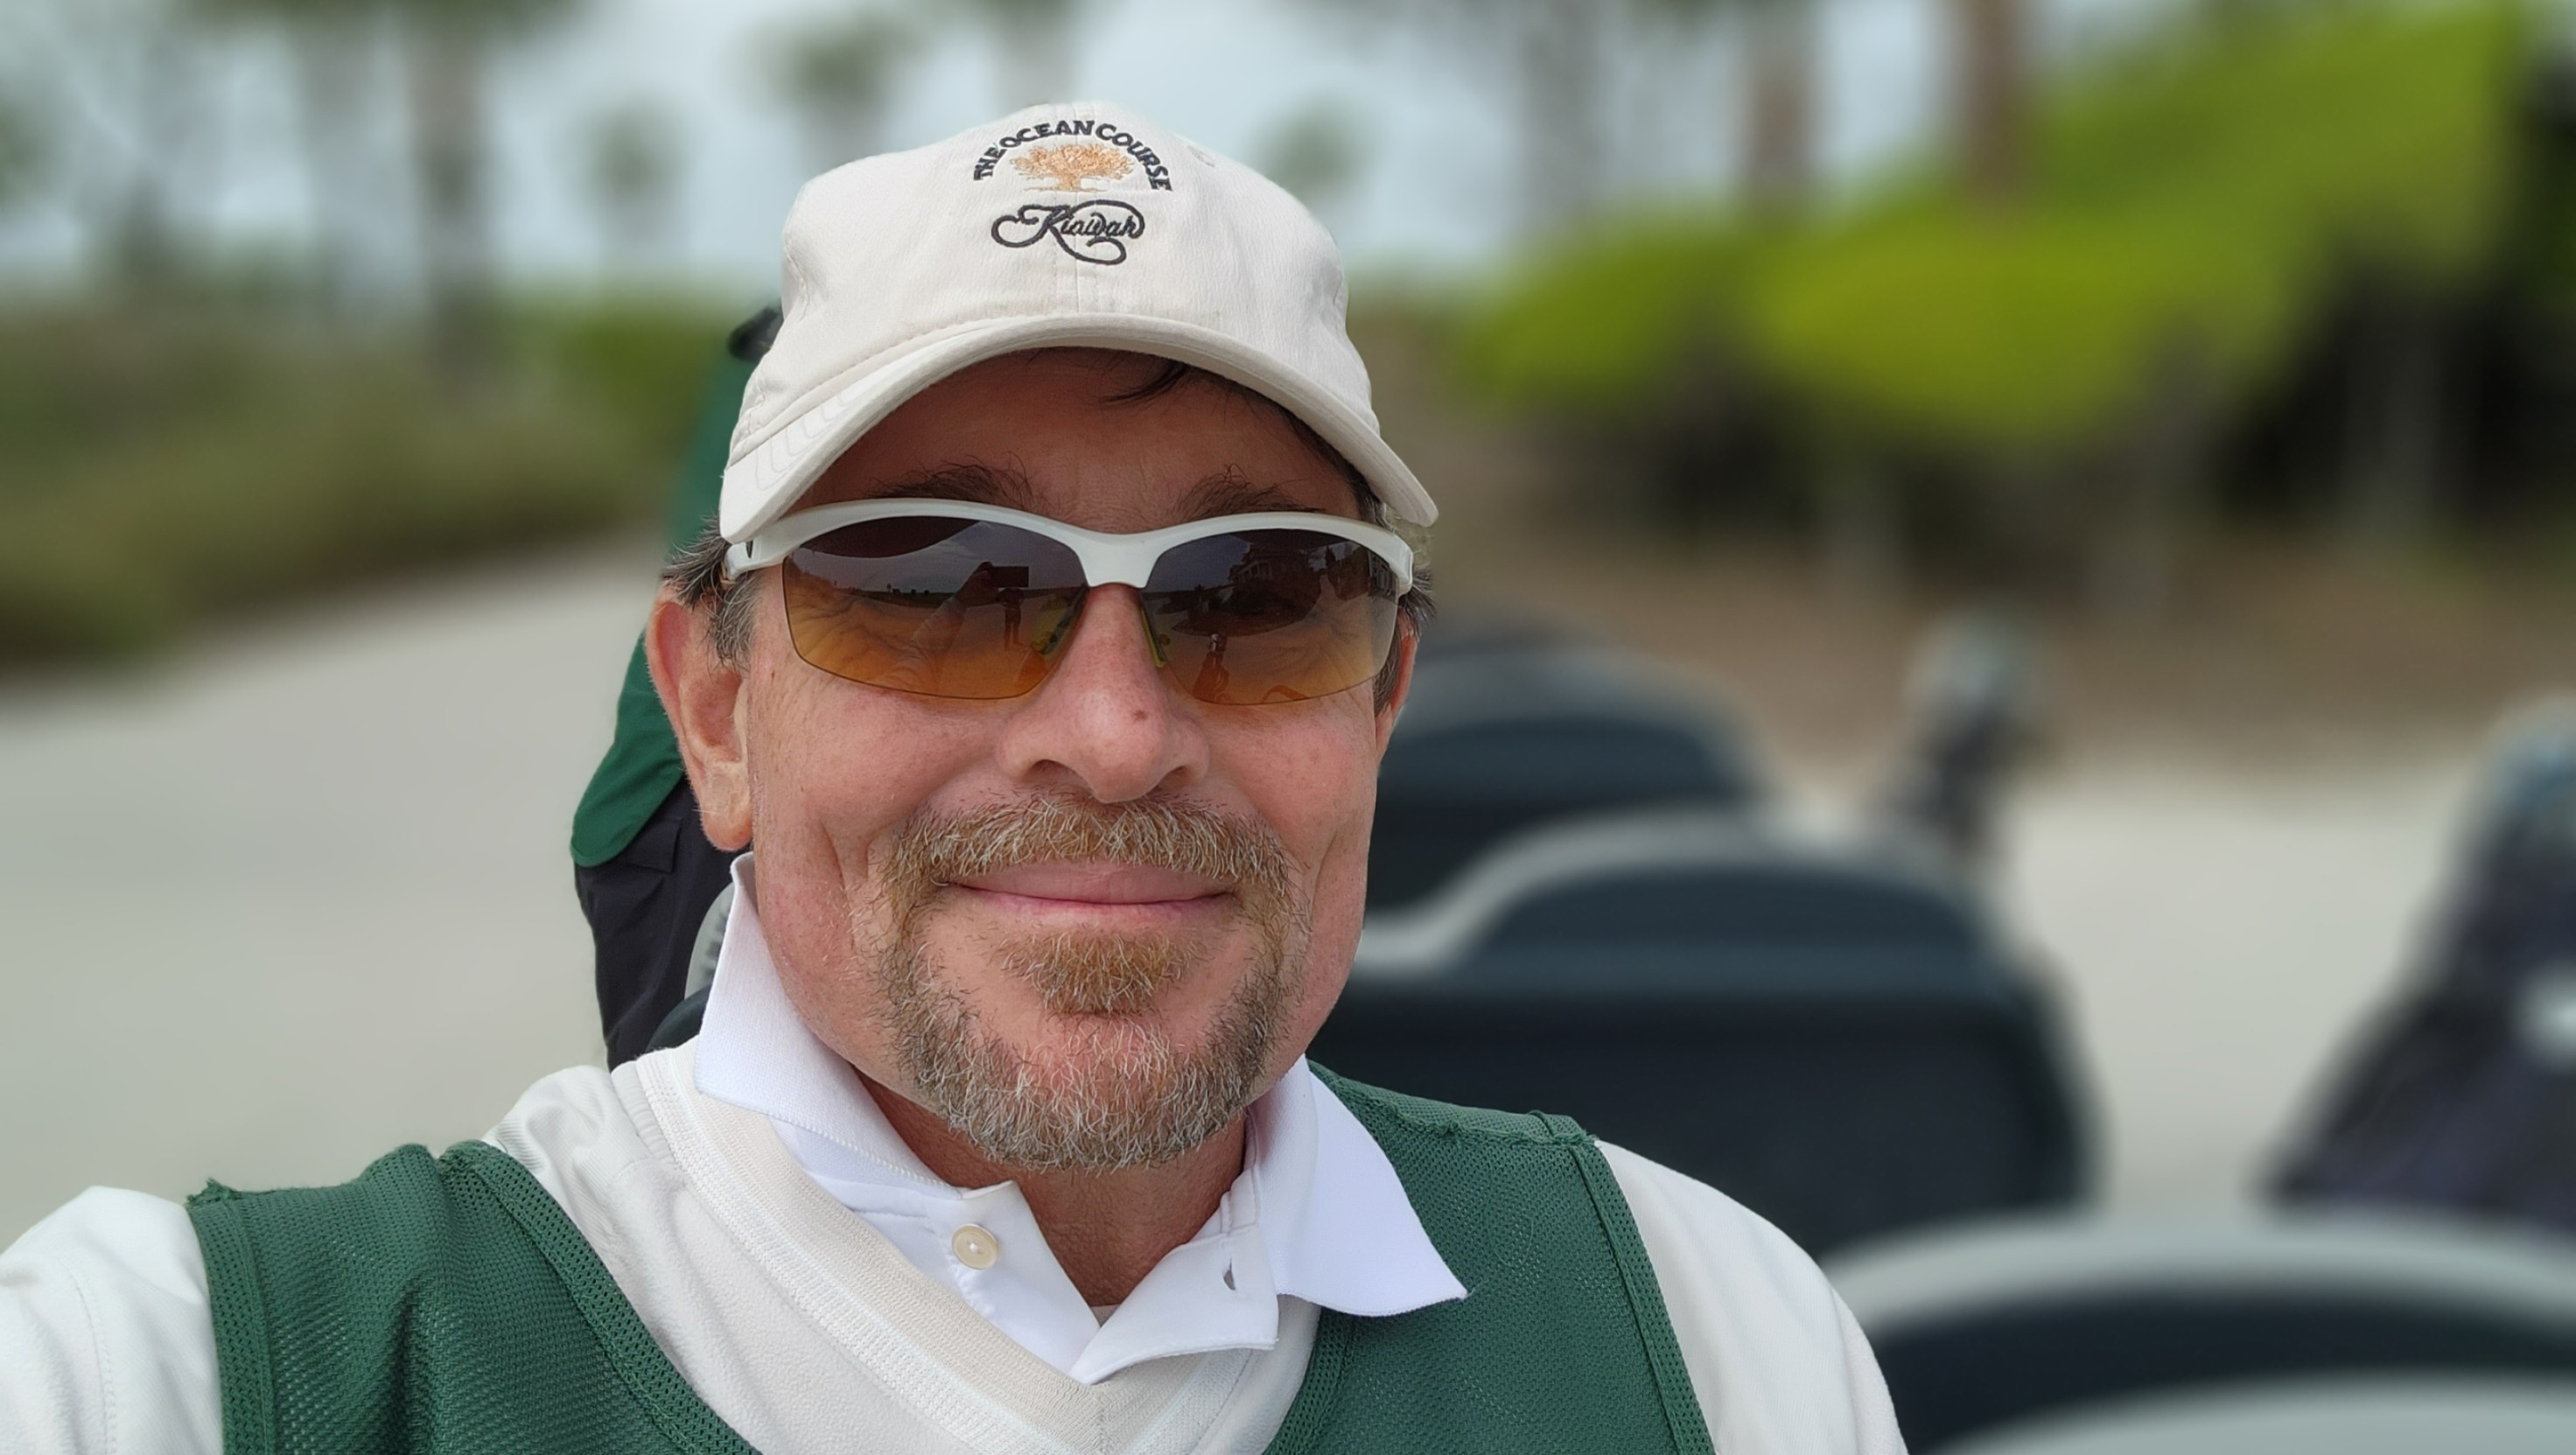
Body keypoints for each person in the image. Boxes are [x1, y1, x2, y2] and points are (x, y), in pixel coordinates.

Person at [0, 107, 1904, 1454]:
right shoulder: (197, 1373)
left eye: (1256, 594)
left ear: (1381, 701)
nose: (1114, 732)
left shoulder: (1720, 1348)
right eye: (933, 584)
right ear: (716, 711)